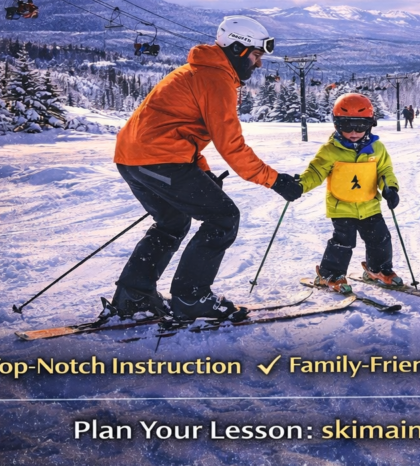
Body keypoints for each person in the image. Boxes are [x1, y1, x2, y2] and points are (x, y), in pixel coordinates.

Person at [108, 16, 289, 322]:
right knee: (223, 218)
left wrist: (202, 173)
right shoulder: (215, 79)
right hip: (158, 159)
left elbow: (182, 131)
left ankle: (134, 296)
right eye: (257, 55)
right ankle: (192, 298)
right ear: (239, 50)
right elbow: (231, 145)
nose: (259, 64)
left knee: (172, 221)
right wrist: (276, 181)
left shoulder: (199, 71)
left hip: (135, 157)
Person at [274, 93, 403, 293]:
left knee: (380, 238)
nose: (353, 132)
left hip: (370, 204)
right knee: (343, 242)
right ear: (336, 124)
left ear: (370, 124)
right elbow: (315, 172)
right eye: (346, 126)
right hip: (341, 206)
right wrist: (300, 186)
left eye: (360, 126)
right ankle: (329, 274)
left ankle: (378, 269)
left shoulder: (377, 148)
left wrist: (390, 188)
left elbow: (385, 171)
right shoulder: (330, 151)